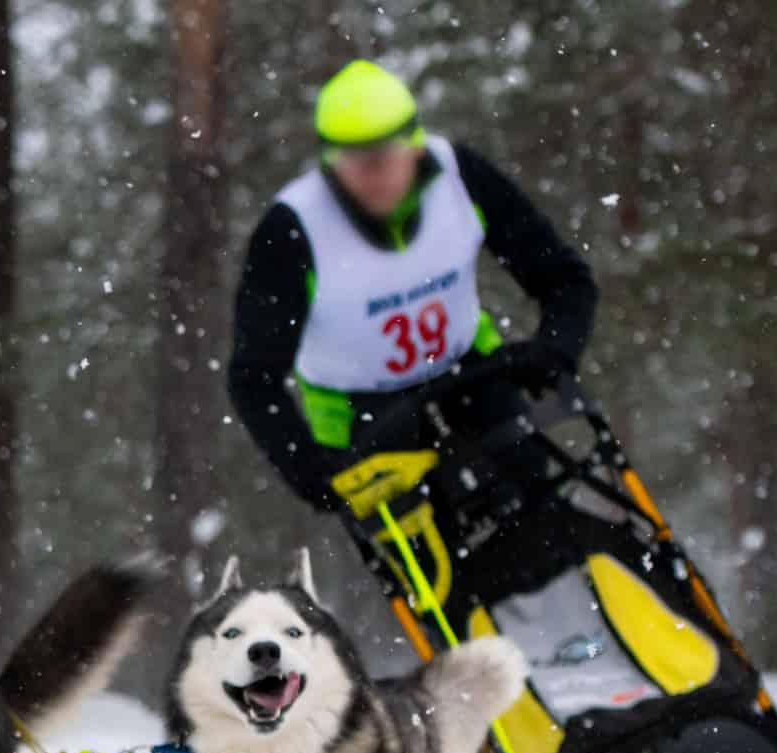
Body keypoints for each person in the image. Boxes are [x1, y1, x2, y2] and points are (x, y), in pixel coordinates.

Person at [227, 59, 598, 515]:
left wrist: (554, 349)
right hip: (358, 413)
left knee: (542, 517)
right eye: (354, 161)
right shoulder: (291, 231)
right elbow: (253, 378)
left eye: (384, 155)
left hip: (471, 374)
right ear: (329, 160)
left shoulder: (462, 177)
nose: (374, 174)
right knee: (434, 566)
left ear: (415, 145)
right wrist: (310, 473)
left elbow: (564, 279)